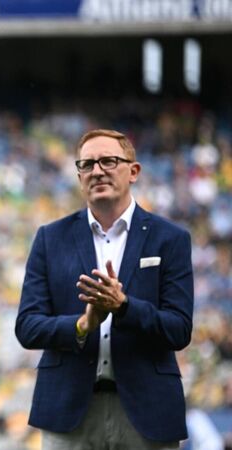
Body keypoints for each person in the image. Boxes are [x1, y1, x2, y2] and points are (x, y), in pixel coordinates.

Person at [15, 129, 194, 449]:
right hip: (67, 410)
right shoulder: (50, 238)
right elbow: (27, 327)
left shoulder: (170, 238)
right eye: (87, 164)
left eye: (108, 161)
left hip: (148, 410)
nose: (97, 171)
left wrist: (124, 306)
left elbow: (179, 329)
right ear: (79, 176)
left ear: (133, 171)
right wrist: (82, 325)